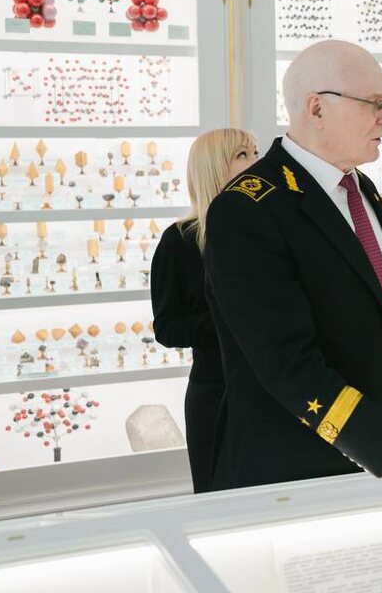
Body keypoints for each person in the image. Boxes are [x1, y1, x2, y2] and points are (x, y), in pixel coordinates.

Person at [204, 39, 382, 490]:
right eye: (374, 104)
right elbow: (286, 363)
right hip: (307, 469)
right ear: (316, 108)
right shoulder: (248, 209)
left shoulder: (358, 186)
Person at [151, 128, 258, 493]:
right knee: (218, 497)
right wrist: (231, 318)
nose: (256, 162)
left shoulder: (269, 232)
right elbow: (168, 328)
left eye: (255, 153)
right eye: (242, 155)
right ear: (213, 167)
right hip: (215, 391)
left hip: (273, 389)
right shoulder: (179, 241)